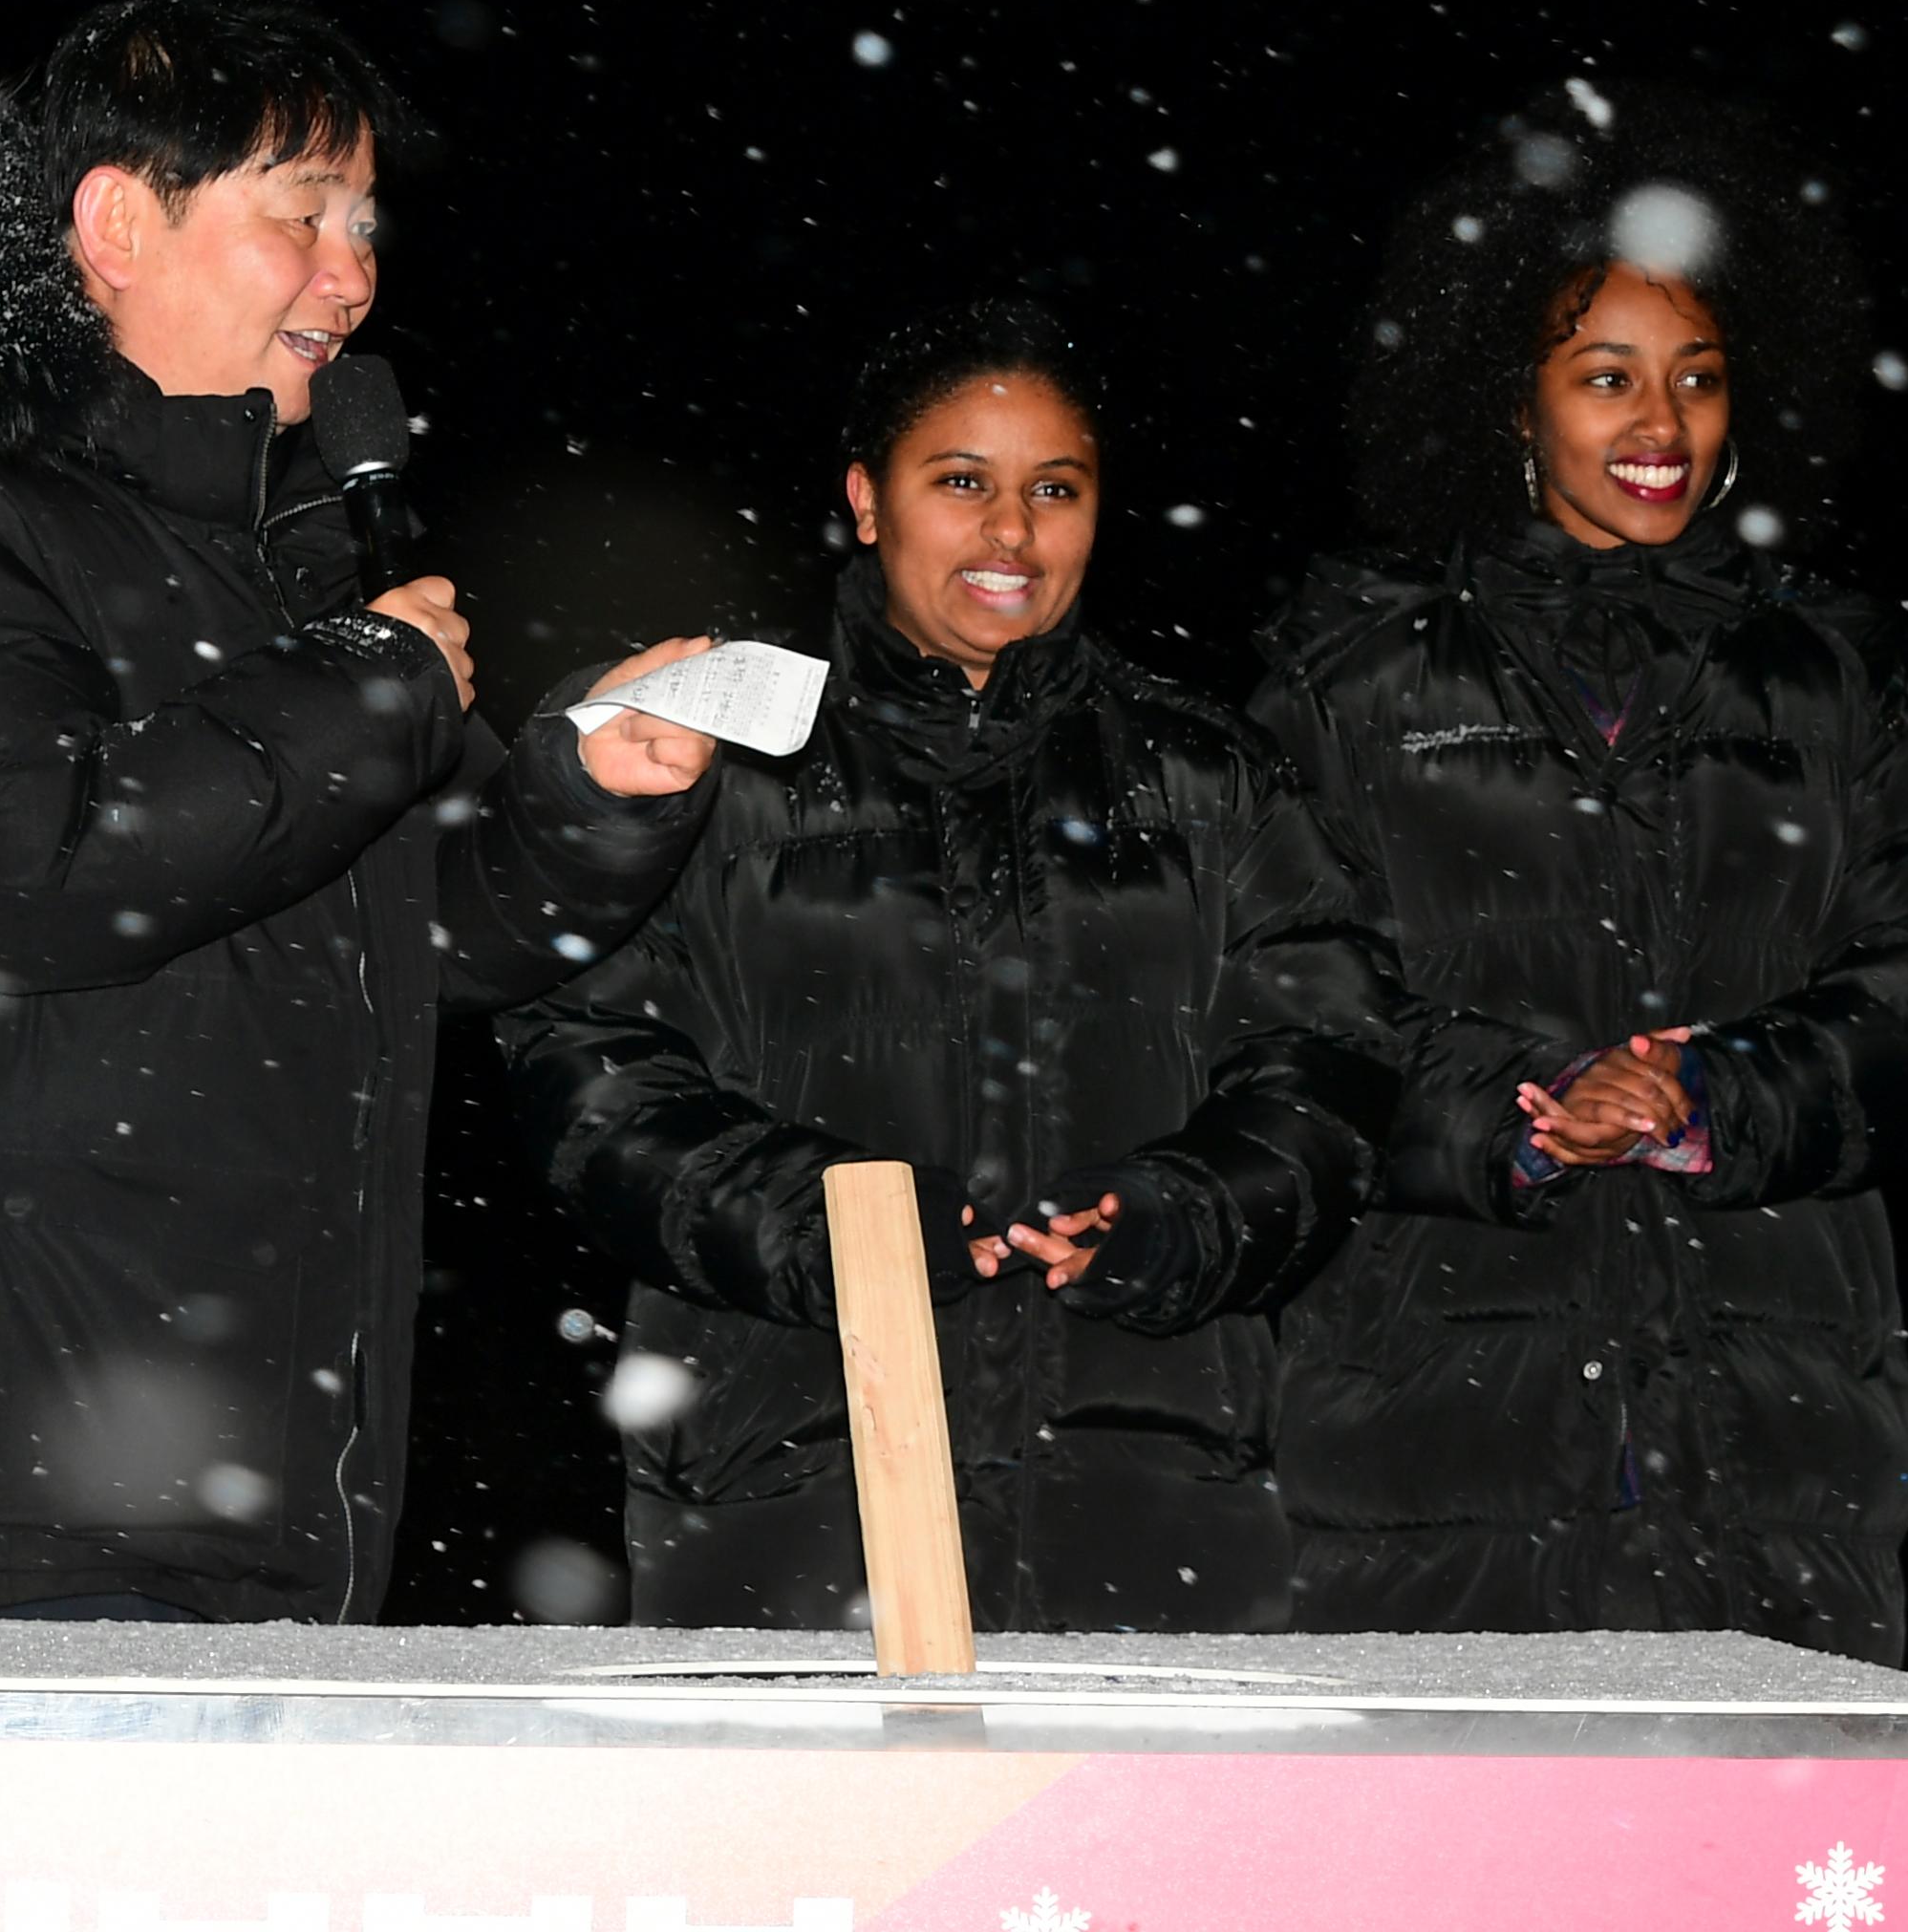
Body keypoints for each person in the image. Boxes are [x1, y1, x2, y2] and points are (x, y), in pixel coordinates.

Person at [0, 0, 718, 1621]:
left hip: (284, 1496)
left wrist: (593, 787)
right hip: (0, 1519)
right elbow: (38, 876)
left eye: (368, 222)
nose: (354, 273)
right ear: (116, 222)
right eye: (301, 213)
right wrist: (374, 687)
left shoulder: (278, 571)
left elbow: (433, 923)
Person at [497, 298, 1398, 1632]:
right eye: (961, 482)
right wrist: (834, 1228)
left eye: (1056, 488)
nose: (1012, 533)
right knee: (816, 1853)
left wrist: (1176, 1216)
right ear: (867, 498)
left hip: (1154, 1488)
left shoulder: (1213, 774)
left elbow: (1333, 1068)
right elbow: (586, 1068)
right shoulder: (717, 754)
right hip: (789, 1484)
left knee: (1143, 1849)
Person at [1246, 80, 1908, 1651]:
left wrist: (1716, 1092)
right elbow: (1280, 1001)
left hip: (1780, 1447)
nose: (1657, 428)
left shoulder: (1837, 675)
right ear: (1509, 401)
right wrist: (1521, 1109)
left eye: (1697, 380)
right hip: (1431, 1440)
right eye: (1606, 378)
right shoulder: (1354, 677)